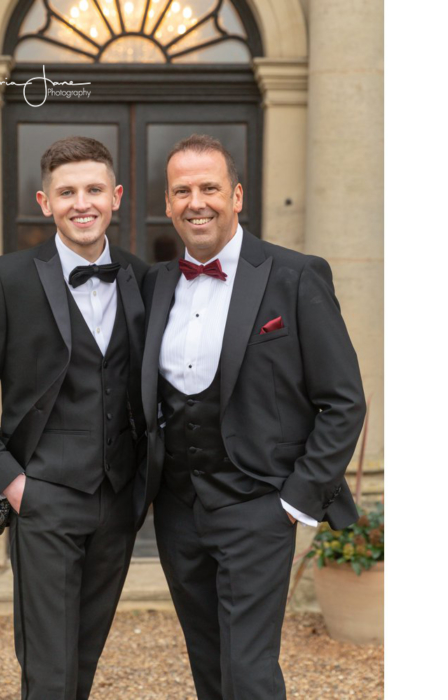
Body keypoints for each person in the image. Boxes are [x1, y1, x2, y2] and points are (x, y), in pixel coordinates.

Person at [138, 134, 365, 699]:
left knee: (249, 672)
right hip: (177, 509)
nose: (197, 202)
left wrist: (294, 502)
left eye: (210, 187)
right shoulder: (154, 284)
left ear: (237, 195)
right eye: (182, 191)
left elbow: (343, 400)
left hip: (259, 505)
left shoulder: (295, 275)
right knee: (208, 664)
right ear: (168, 205)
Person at [0, 136, 148, 699]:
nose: (81, 203)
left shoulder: (141, 277)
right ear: (44, 201)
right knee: (48, 666)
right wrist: (10, 482)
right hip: (44, 494)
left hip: (119, 498)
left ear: (116, 197)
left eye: (93, 190)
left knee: (84, 656)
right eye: (66, 192)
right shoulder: (7, 279)